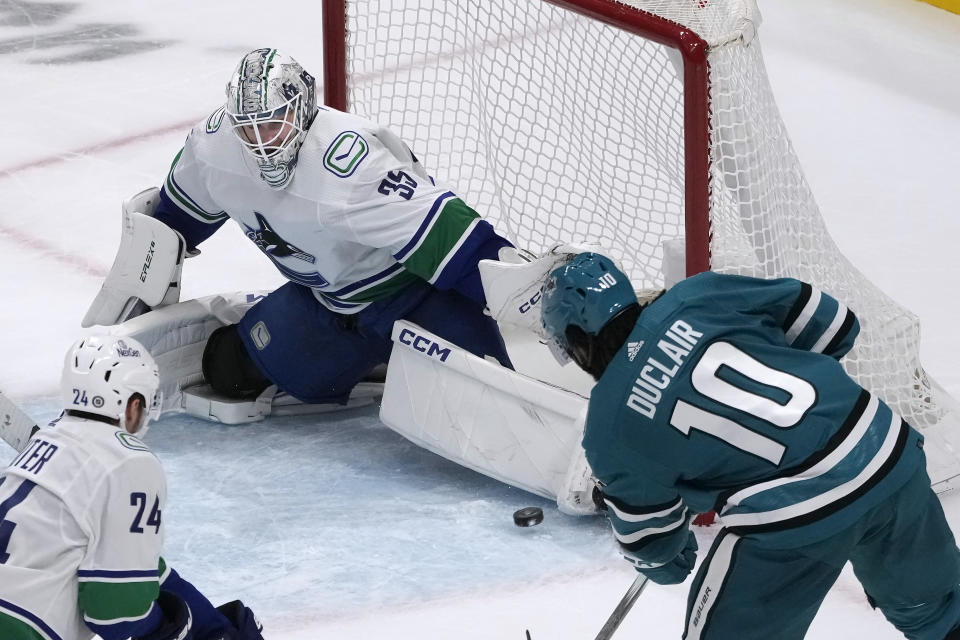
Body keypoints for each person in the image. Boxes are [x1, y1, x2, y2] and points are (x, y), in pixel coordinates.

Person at [539, 252, 960, 640]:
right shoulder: (696, 294)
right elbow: (836, 323)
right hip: (886, 452)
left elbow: (657, 554)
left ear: (577, 341)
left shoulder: (609, 426)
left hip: (794, 517)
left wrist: (674, 547)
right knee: (938, 610)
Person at [144, 47, 513, 403]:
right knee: (229, 371)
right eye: (247, 130)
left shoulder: (354, 166)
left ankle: (398, 354)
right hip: (328, 303)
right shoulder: (215, 147)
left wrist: (530, 299)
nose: (260, 143)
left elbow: (459, 246)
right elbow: (175, 222)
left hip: (417, 296)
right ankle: (373, 359)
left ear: (302, 108)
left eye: (272, 124)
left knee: (492, 407)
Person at [0, 335, 263, 640]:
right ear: (132, 405)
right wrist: (174, 628)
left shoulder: (47, 443)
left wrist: (211, 623)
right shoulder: (129, 461)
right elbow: (116, 614)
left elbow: (143, 569)